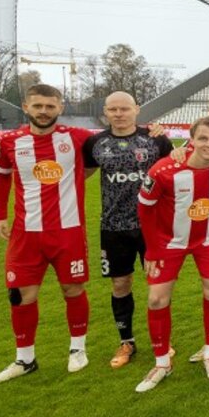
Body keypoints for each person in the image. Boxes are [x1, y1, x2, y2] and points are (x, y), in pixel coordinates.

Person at [0, 84, 96, 385]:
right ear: (26, 107)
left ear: (61, 107)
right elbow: (1, 178)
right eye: (38, 106)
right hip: (26, 234)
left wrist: (153, 131)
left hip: (68, 230)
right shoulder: (9, 141)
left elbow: (119, 137)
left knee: (72, 289)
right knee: (21, 295)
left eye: (50, 106)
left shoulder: (78, 137)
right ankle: (25, 359)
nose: (44, 111)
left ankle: (77, 349)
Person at [133, 116, 209, 392]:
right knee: (156, 299)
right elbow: (144, 209)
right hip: (168, 242)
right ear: (192, 140)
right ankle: (162, 363)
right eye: (203, 138)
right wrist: (151, 250)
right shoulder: (163, 170)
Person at [80, 91, 174, 369]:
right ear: (105, 113)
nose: (119, 114)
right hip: (114, 226)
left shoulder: (156, 140)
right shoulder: (96, 143)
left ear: (137, 109)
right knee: (120, 284)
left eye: (124, 109)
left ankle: (162, 340)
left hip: (152, 227)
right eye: (113, 109)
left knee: (157, 285)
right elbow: (80, 176)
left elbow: (174, 172)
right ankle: (127, 341)